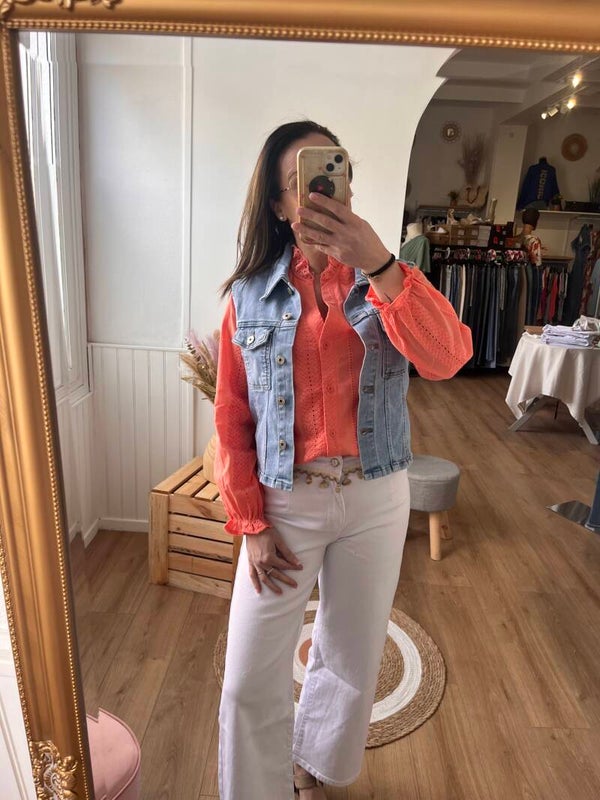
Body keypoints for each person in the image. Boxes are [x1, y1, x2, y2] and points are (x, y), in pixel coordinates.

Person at [214, 120, 473, 800]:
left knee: (351, 656)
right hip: (286, 501)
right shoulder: (248, 296)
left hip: (375, 495)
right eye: (303, 182)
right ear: (280, 204)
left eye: (334, 171)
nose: (326, 191)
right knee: (247, 677)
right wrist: (251, 523)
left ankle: (313, 766)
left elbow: (448, 359)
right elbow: (232, 417)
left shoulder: (389, 279)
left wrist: (382, 264)